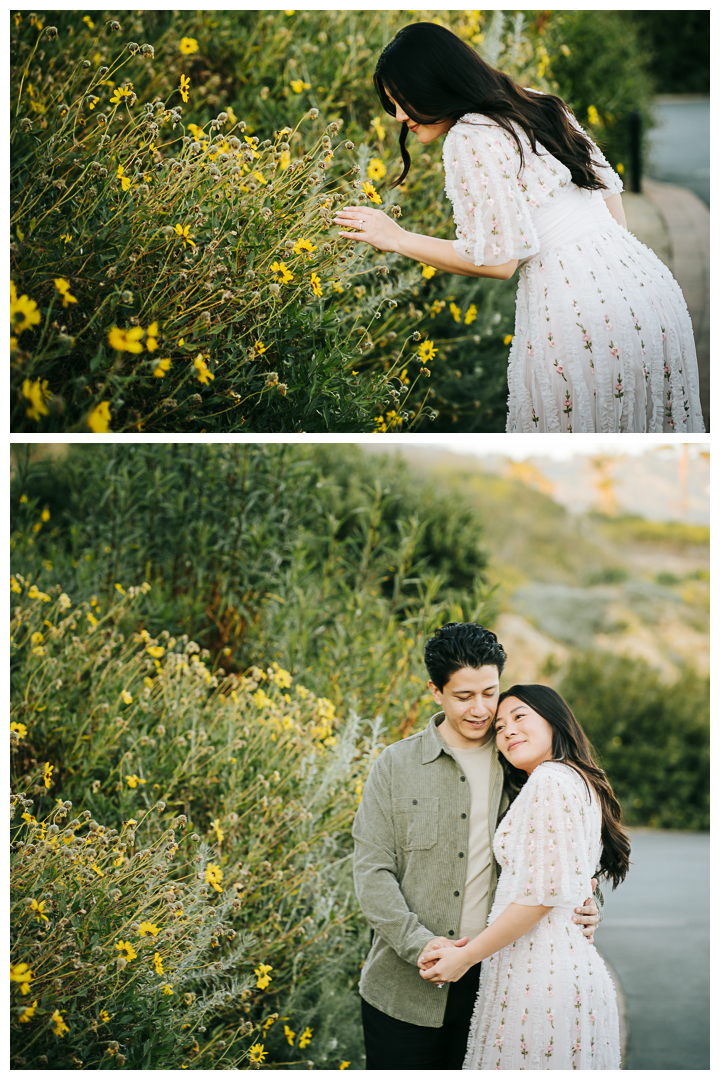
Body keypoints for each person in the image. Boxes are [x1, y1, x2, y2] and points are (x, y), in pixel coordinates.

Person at [332, 21, 705, 433]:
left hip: (578, 307)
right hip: (647, 288)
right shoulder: (539, 103)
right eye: (392, 105)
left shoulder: (469, 136)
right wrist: (610, 283)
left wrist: (398, 239)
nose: (401, 117)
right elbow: (607, 191)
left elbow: (499, 262)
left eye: (404, 100)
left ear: (437, 81)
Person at [352, 624, 602, 1070]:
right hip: (403, 986)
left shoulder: (523, 760)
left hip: (496, 989)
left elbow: (565, 849)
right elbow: (372, 871)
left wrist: (587, 900)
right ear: (436, 691)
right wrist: (420, 946)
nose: (482, 709)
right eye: (464, 696)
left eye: (490, 692)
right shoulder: (395, 765)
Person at [419, 684, 630, 1070]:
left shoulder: (550, 781)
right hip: (557, 970)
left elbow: (542, 896)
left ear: (555, 721)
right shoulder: (574, 780)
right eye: (499, 727)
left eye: (519, 717)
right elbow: (571, 882)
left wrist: (465, 957)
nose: (508, 731)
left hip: (541, 980)